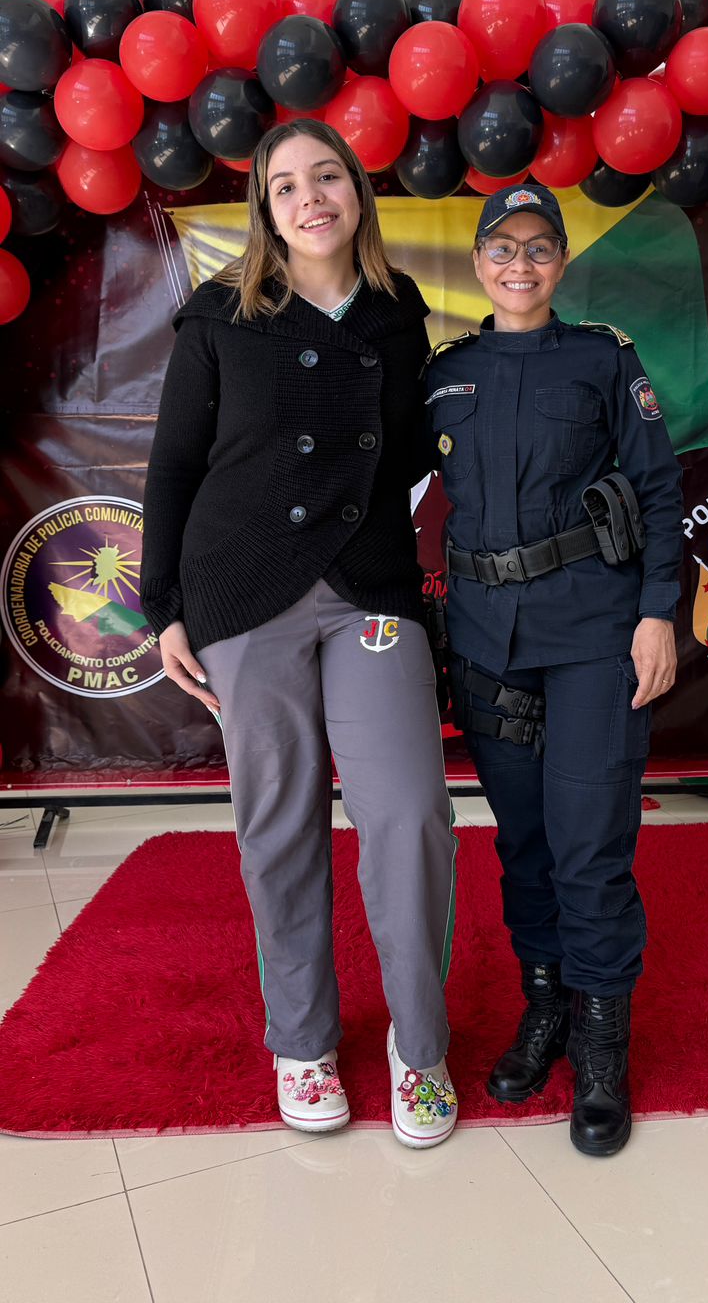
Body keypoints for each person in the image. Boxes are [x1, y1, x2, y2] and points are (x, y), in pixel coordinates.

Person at [140, 120, 458, 1149]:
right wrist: (162, 607)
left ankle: (420, 1046)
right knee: (278, 823)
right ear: (266, 212)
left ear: (357, 192)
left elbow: (416, 452)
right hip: (243, 591)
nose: (310, 197)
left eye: (328, 176)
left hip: (370, 590)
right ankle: (304, 1041)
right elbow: (173, 467)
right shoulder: (220, 314)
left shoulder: (399, 312)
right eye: (286, 185)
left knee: (409, 813)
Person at [425, 183, 683, 1157]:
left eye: (539, 247)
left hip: (592, 634)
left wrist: (657, 612)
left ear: (561, 262)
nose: (520, 263)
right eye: (503, 247)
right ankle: (547, 1007)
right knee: (525, 844)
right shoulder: (446, 373)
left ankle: (603, 1043)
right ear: (479, 262)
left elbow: (659, 488)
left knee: (588, 844)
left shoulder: (604, 359)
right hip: (487, 638)